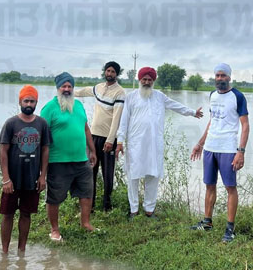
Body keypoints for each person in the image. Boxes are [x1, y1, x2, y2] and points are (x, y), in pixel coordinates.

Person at [117, 66, 203, 219]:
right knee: (133, 177)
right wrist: (120, 141)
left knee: (153, 176)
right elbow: (123, 121)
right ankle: (133, 210)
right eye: (144, 79)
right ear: (139, 80)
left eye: (150, 80)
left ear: (153, 81)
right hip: (136, 145)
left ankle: (149, 210)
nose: (147, 82)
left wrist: (192, 112)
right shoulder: (131, 97)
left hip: (154, 145)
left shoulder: (160, 97)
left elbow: (175, 106)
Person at [190, 63, 249, 243]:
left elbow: (245, 125)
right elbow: (212, 121)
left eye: (223, 75)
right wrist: (200, 143)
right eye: (217, 75)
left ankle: (230, 229)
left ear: (229, 77)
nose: (220, 78)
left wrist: (241, 152)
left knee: (230, 188)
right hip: (210, 146)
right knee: (209, 185)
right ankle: (207, 222)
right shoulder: (212, 95)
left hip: (228, 148)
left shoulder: (238, 96)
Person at [41, 72, 97, 242]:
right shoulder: (49, 108)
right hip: (58, 161)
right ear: (58, 88)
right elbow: (42, 135)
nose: (67, 89)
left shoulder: (78, 105)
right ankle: (54, 229)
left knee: (87, 192)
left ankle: (85, 223)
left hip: (81, 159)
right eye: (63, 86)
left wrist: (92, 151)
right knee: (54, 197)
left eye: (69, 86)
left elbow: (86, 129)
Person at [0, 85, 50, 254]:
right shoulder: (11, 123)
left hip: (32, 178)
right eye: (26, 101)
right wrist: (6, 178)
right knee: (8, 214)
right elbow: (3, 151)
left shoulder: (42, 124)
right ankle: (5, 252)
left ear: (36, 103)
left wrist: (43, 176)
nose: (29, 104)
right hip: (12, 179)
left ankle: (22, 250)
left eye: (32, 101)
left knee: (26, 214)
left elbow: (45, 150)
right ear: (20, 101)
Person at [75, 61, 126, 211]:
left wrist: (110, 140)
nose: (110, 74)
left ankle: (106, 205)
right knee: (91, 170)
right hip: (93, 136)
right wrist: (69, 92)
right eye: (108, 71)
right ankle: (89, 204)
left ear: (117, 74)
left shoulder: (120, 92)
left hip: (108, 139)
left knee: (107, 173)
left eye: (113, 71)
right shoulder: (99, 87)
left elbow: (116, 119)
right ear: (105, 72)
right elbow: (85, 91)